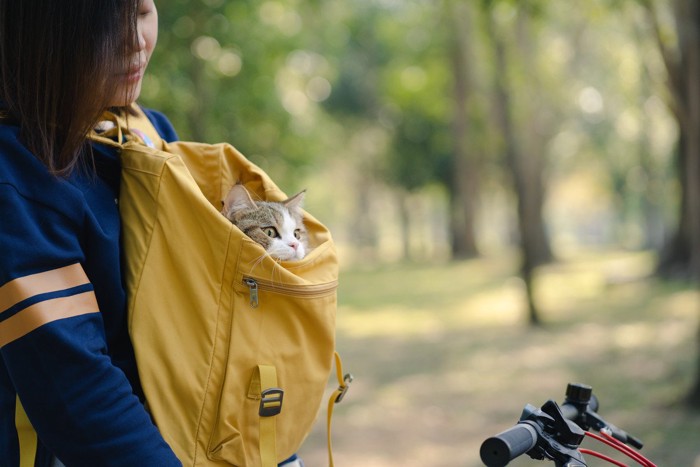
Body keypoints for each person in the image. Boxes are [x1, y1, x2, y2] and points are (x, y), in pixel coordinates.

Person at [0, 1, 305, 466]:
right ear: (40, 29)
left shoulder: (147, 131)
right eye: (107, 24)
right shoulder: (16, 177)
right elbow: (77, 389)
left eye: (142, 12)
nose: (135, 41)